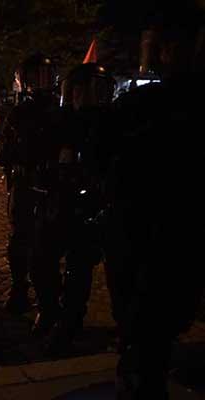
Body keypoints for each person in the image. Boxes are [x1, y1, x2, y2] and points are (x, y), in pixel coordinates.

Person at [102, 5, 204, 397]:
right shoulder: (139, 106)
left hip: (150, 236)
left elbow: (101, 164)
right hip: (158, 233)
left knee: (146, 335)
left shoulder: (139, 107)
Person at [31, 62, 114, 353]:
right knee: (41, 259)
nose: (87, 96)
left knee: (79, 268)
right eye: (82, 90)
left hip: (88, 206)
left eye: (96, 90)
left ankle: (70, 322)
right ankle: (50, 310)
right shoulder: (59, 119)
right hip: (56, 200)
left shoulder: (109, 123)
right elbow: (40, 155)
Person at [0, 53, 61, 318]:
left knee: (45, 242)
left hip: (50, 185)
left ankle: (44, 299)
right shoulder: (20, 113)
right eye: (37, 77)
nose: (41, 82)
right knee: (21, 240)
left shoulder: (58, 111)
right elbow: (3, 153)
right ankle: (22, 289)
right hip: (26, 184)